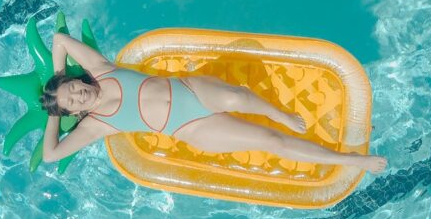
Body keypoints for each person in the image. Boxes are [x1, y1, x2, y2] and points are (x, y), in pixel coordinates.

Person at [40, 32, 388, 173]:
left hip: (191, 90)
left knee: (236, 96)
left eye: (71, 86)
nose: (76, 93)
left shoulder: (100, 70)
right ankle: (352, 161)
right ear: (75, 111)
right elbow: (51, 154)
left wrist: (56, 79)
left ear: (76, 79)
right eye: (71, 101)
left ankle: (277, 112)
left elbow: (58, 39)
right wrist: (55, 114)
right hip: (190, 127)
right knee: (271, 142)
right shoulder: (95, 125)